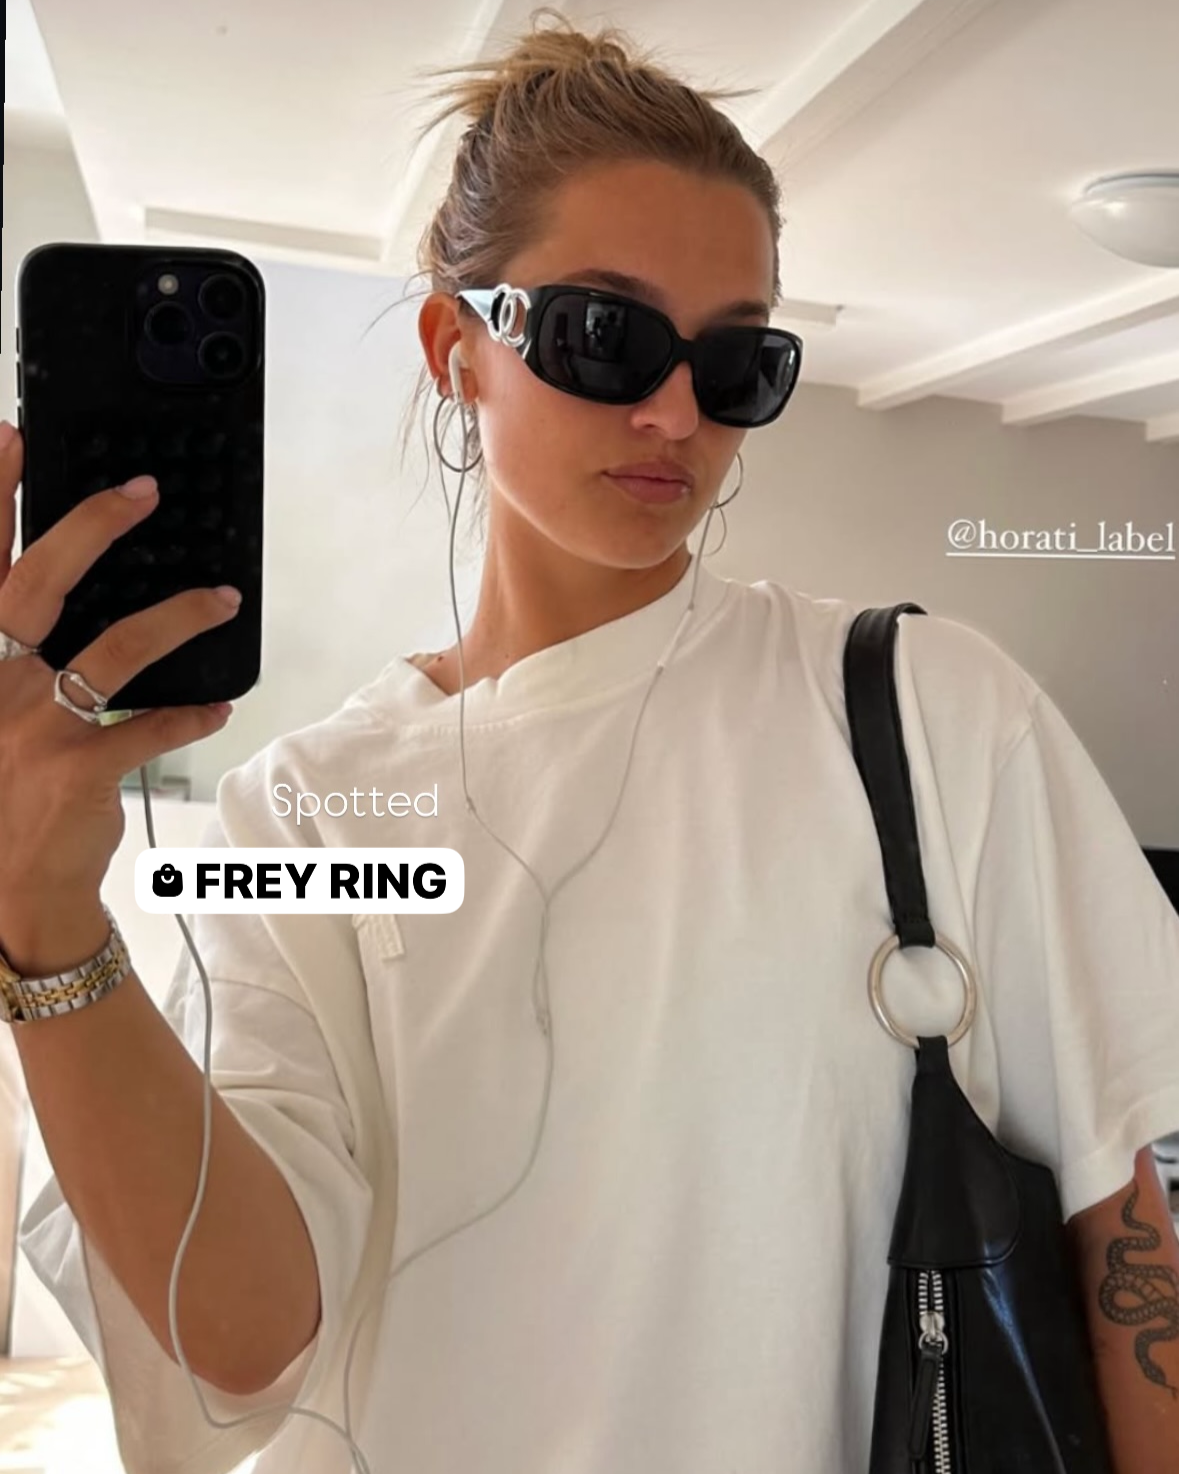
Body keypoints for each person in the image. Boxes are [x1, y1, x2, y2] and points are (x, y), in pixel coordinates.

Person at [2, 10, 1178, 1474]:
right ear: (457, 350)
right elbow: (245, 1330)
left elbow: (1123, 1220)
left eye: (736, 359)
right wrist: (44, 917)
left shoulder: (928, 709)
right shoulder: (307, 816)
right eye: (602, 334)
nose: (676, 410)